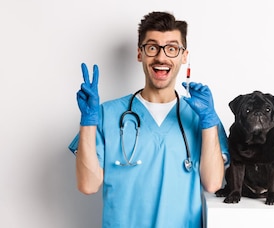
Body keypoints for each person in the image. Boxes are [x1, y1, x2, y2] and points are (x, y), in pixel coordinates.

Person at [67, 11, 230, 228]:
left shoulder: (202, 116)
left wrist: (209, 122)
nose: (161, 58)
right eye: (152, 47)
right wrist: (88, 121)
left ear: (184, 56)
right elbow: (88, 185)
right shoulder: (106, 114)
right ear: (140, 54)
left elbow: (212, 183)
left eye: (171, 48)